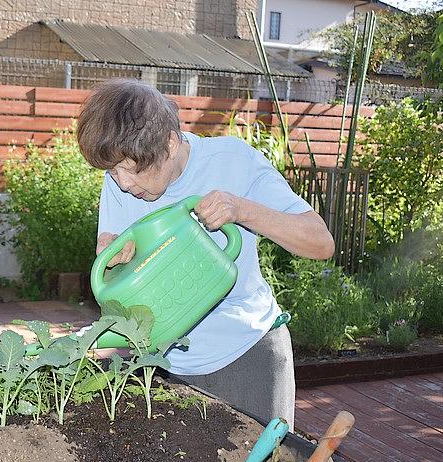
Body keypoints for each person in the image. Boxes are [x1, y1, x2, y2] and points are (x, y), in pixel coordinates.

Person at [76, 78, 335, 429]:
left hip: (248, 353)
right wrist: (115, 262)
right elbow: (121, 284)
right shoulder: (121, 184)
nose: (122, 183)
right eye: (112, 171)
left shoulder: (233, 161)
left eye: (132, 169)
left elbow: (320, 243)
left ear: (169, 142)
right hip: (167, 364)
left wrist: (241, 210)